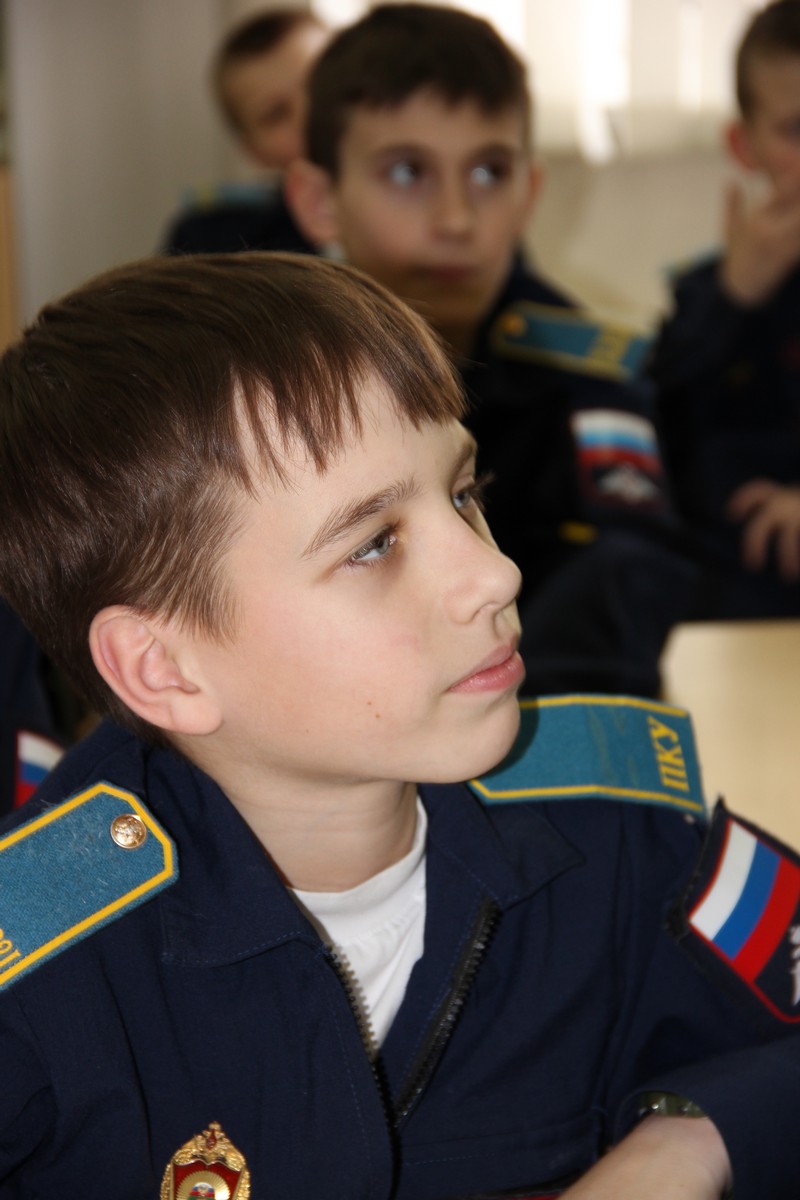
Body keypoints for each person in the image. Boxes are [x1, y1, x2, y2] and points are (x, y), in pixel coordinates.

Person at [0, 251, 799, 1198]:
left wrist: (692, 1140)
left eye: (463, 494)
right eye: (374, 545)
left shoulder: (616, 838)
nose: (494, 574)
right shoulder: (45, 973)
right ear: (163, 669)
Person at [285, 3, 701, 697]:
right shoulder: (266, 377)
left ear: (529, 191)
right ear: (319, 199)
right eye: (407, 172)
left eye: (488, 173)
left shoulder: (581, 372)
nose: (455, 219)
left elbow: (634, 562)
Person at [648, 0, 800, 617]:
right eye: (797, 130)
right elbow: (653, 436)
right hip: (735, 600)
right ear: (744, 144)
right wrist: (734, 298)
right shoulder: (706, 293)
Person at [162, 8, 328, 256]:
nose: (309, 117)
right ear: (254, 151)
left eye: (321, 83)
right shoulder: (216, 243)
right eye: (276, 114)